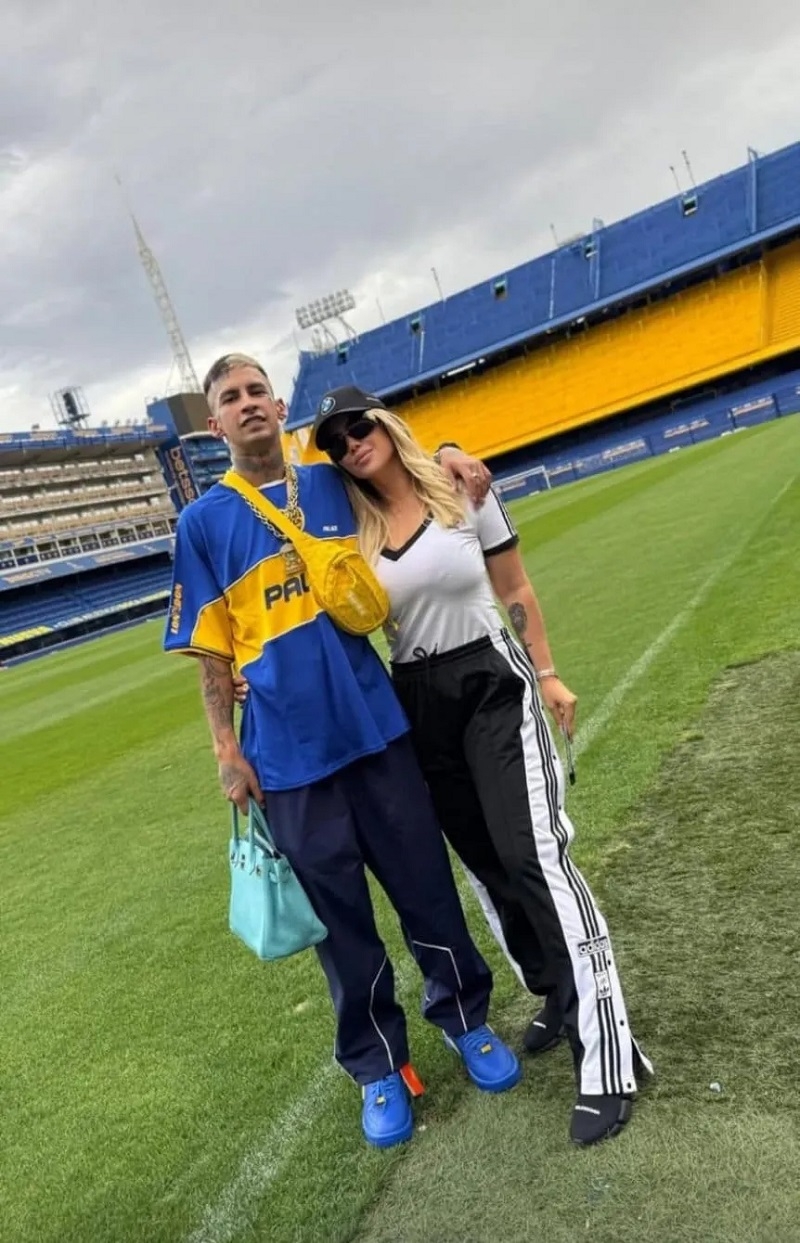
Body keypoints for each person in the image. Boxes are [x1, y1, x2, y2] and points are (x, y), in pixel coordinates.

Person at [163, 353, 521, 1151]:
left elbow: (406, 475)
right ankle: (377, 1065)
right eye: (231, 397)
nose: (248, 403)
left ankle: (466, 1018)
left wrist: (452, 450)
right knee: (341, 926)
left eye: (257, 390)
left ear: (277, 403)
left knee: (426, 889)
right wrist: (225, 747)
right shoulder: (202, 524)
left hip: (378, 731)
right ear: (213, 424)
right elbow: (212, 651)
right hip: (289, 760)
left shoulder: (332, 483)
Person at [305, 384, 653, 1147]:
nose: (350, 443)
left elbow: (514, 584)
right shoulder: (350, 526)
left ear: (385, 422)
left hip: (492, 681)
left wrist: (548, 672)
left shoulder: (463, 487)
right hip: (417, 698)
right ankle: (556, 989)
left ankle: (608, 1049)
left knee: (533, 856)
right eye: (334, 441)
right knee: (487, 865)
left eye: (358, 426)